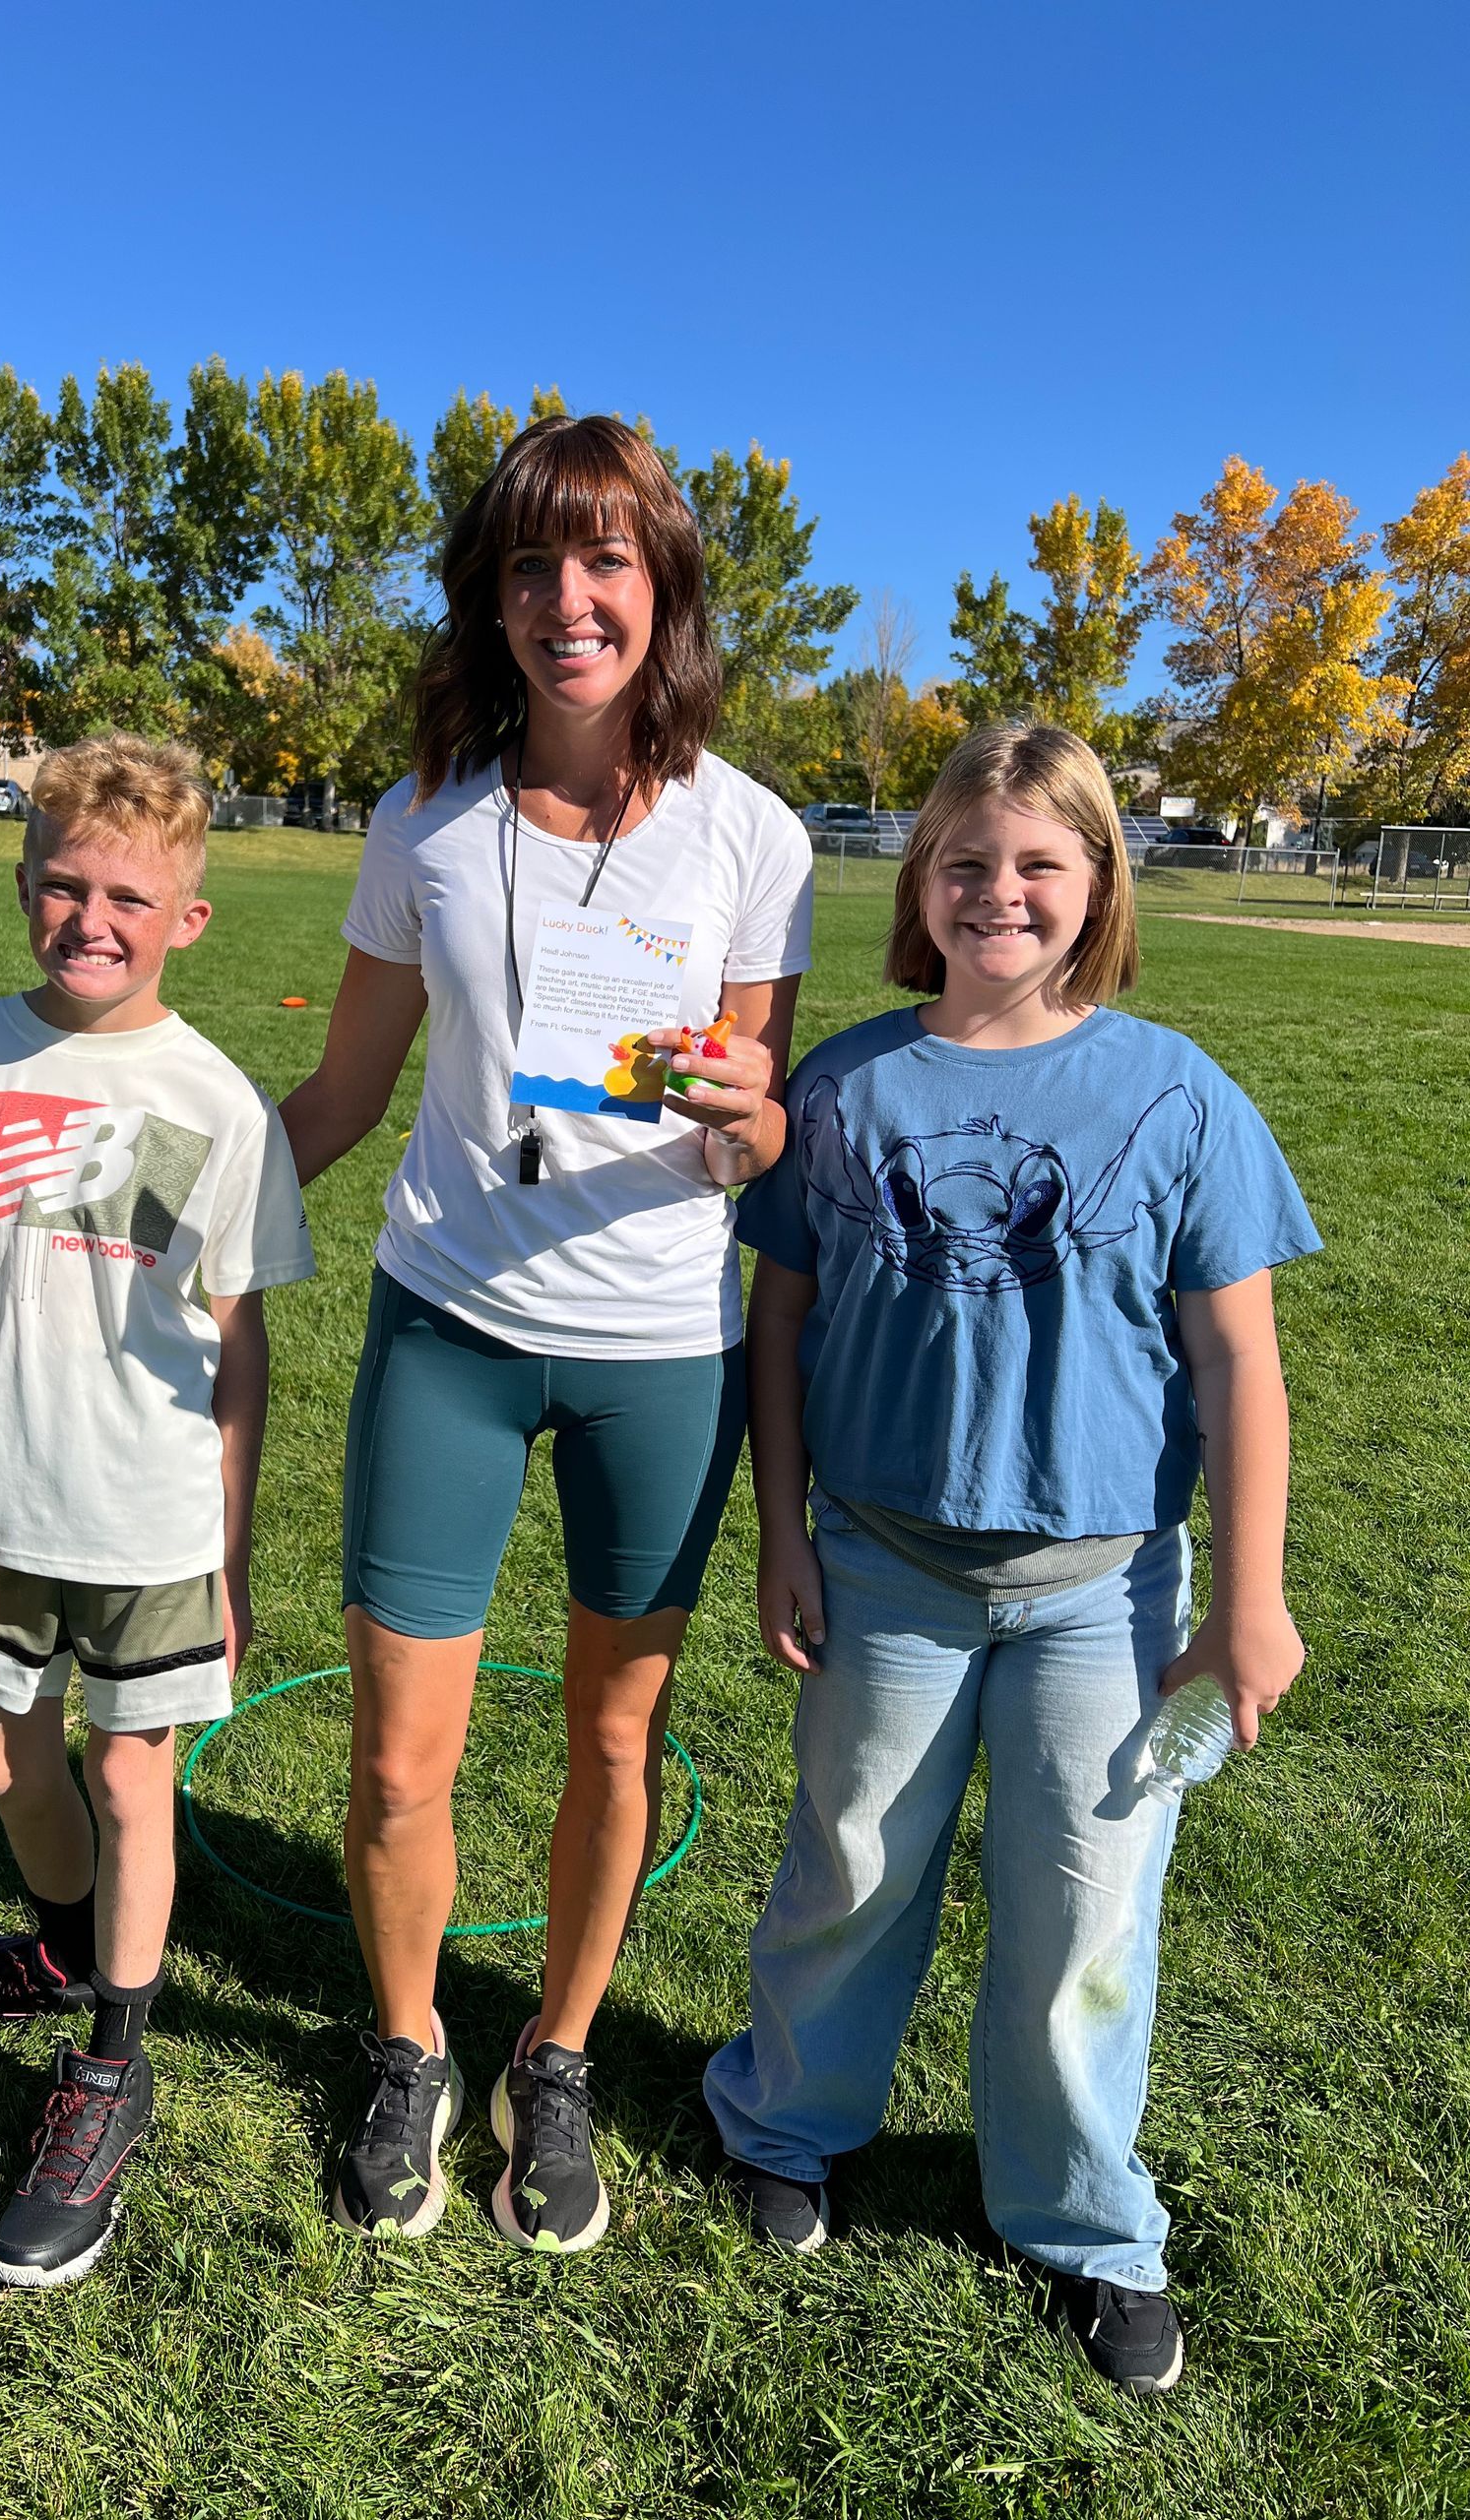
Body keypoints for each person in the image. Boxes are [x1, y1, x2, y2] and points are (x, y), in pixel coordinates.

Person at [702, 721, 1321, 2393]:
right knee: (850, 1868)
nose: (1001, 892)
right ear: (920, 879)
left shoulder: (1177, 1093)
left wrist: (1245, 1599)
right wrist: (784, 1534)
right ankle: (786, 2121)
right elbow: (779, 1324)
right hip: (886, 1568)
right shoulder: (839, 1085)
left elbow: (1238, 1364)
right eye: (967, 862)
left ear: (1100, 883)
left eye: (1040, 863)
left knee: (1082, 1922)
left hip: (1105, 1596)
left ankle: (1082, 2221)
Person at [280, 414, 812, 2252]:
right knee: (397, 1758)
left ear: (660, 590)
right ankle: (414, 2045)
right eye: (528, 565)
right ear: (489, 598)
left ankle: (561, 2055)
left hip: (658, 1351)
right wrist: (180, 1210)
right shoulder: (423, 814)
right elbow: (345, 1093)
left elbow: (756, 1130)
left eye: (603, 564)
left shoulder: (751, 832)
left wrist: (748, 1108)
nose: (566, 601)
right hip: (449, 1327)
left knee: (611, 1746)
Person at [0, 733, 315, 2287]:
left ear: (188, 916)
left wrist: (232, 1551)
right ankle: (56, 1946)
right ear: (23, 879)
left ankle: (109, 2063)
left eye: (128, 894)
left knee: (132, 1782)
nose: (88, 918)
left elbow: (240, 1343)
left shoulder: (219, 1102)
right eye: (60, 883)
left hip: (154, 1521)